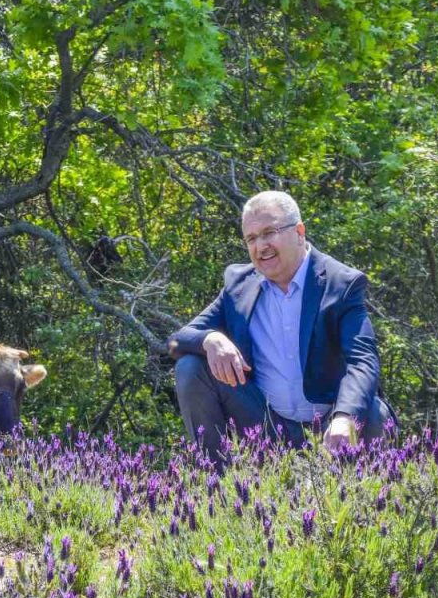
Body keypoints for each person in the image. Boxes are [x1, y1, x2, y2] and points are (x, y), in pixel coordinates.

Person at [167, 191, 393, 463]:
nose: (261, 246)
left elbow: (363, 361)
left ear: (299, 232)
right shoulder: (239, 285)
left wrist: (344, 418)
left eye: (269, 232)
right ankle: (216, 485)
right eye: (251, 238)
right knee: (191, 367)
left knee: (374, 413)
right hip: (265, 423)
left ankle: (366, 496)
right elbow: (177, 341)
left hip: (329, 425)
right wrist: (210, 339)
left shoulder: (340, 284)